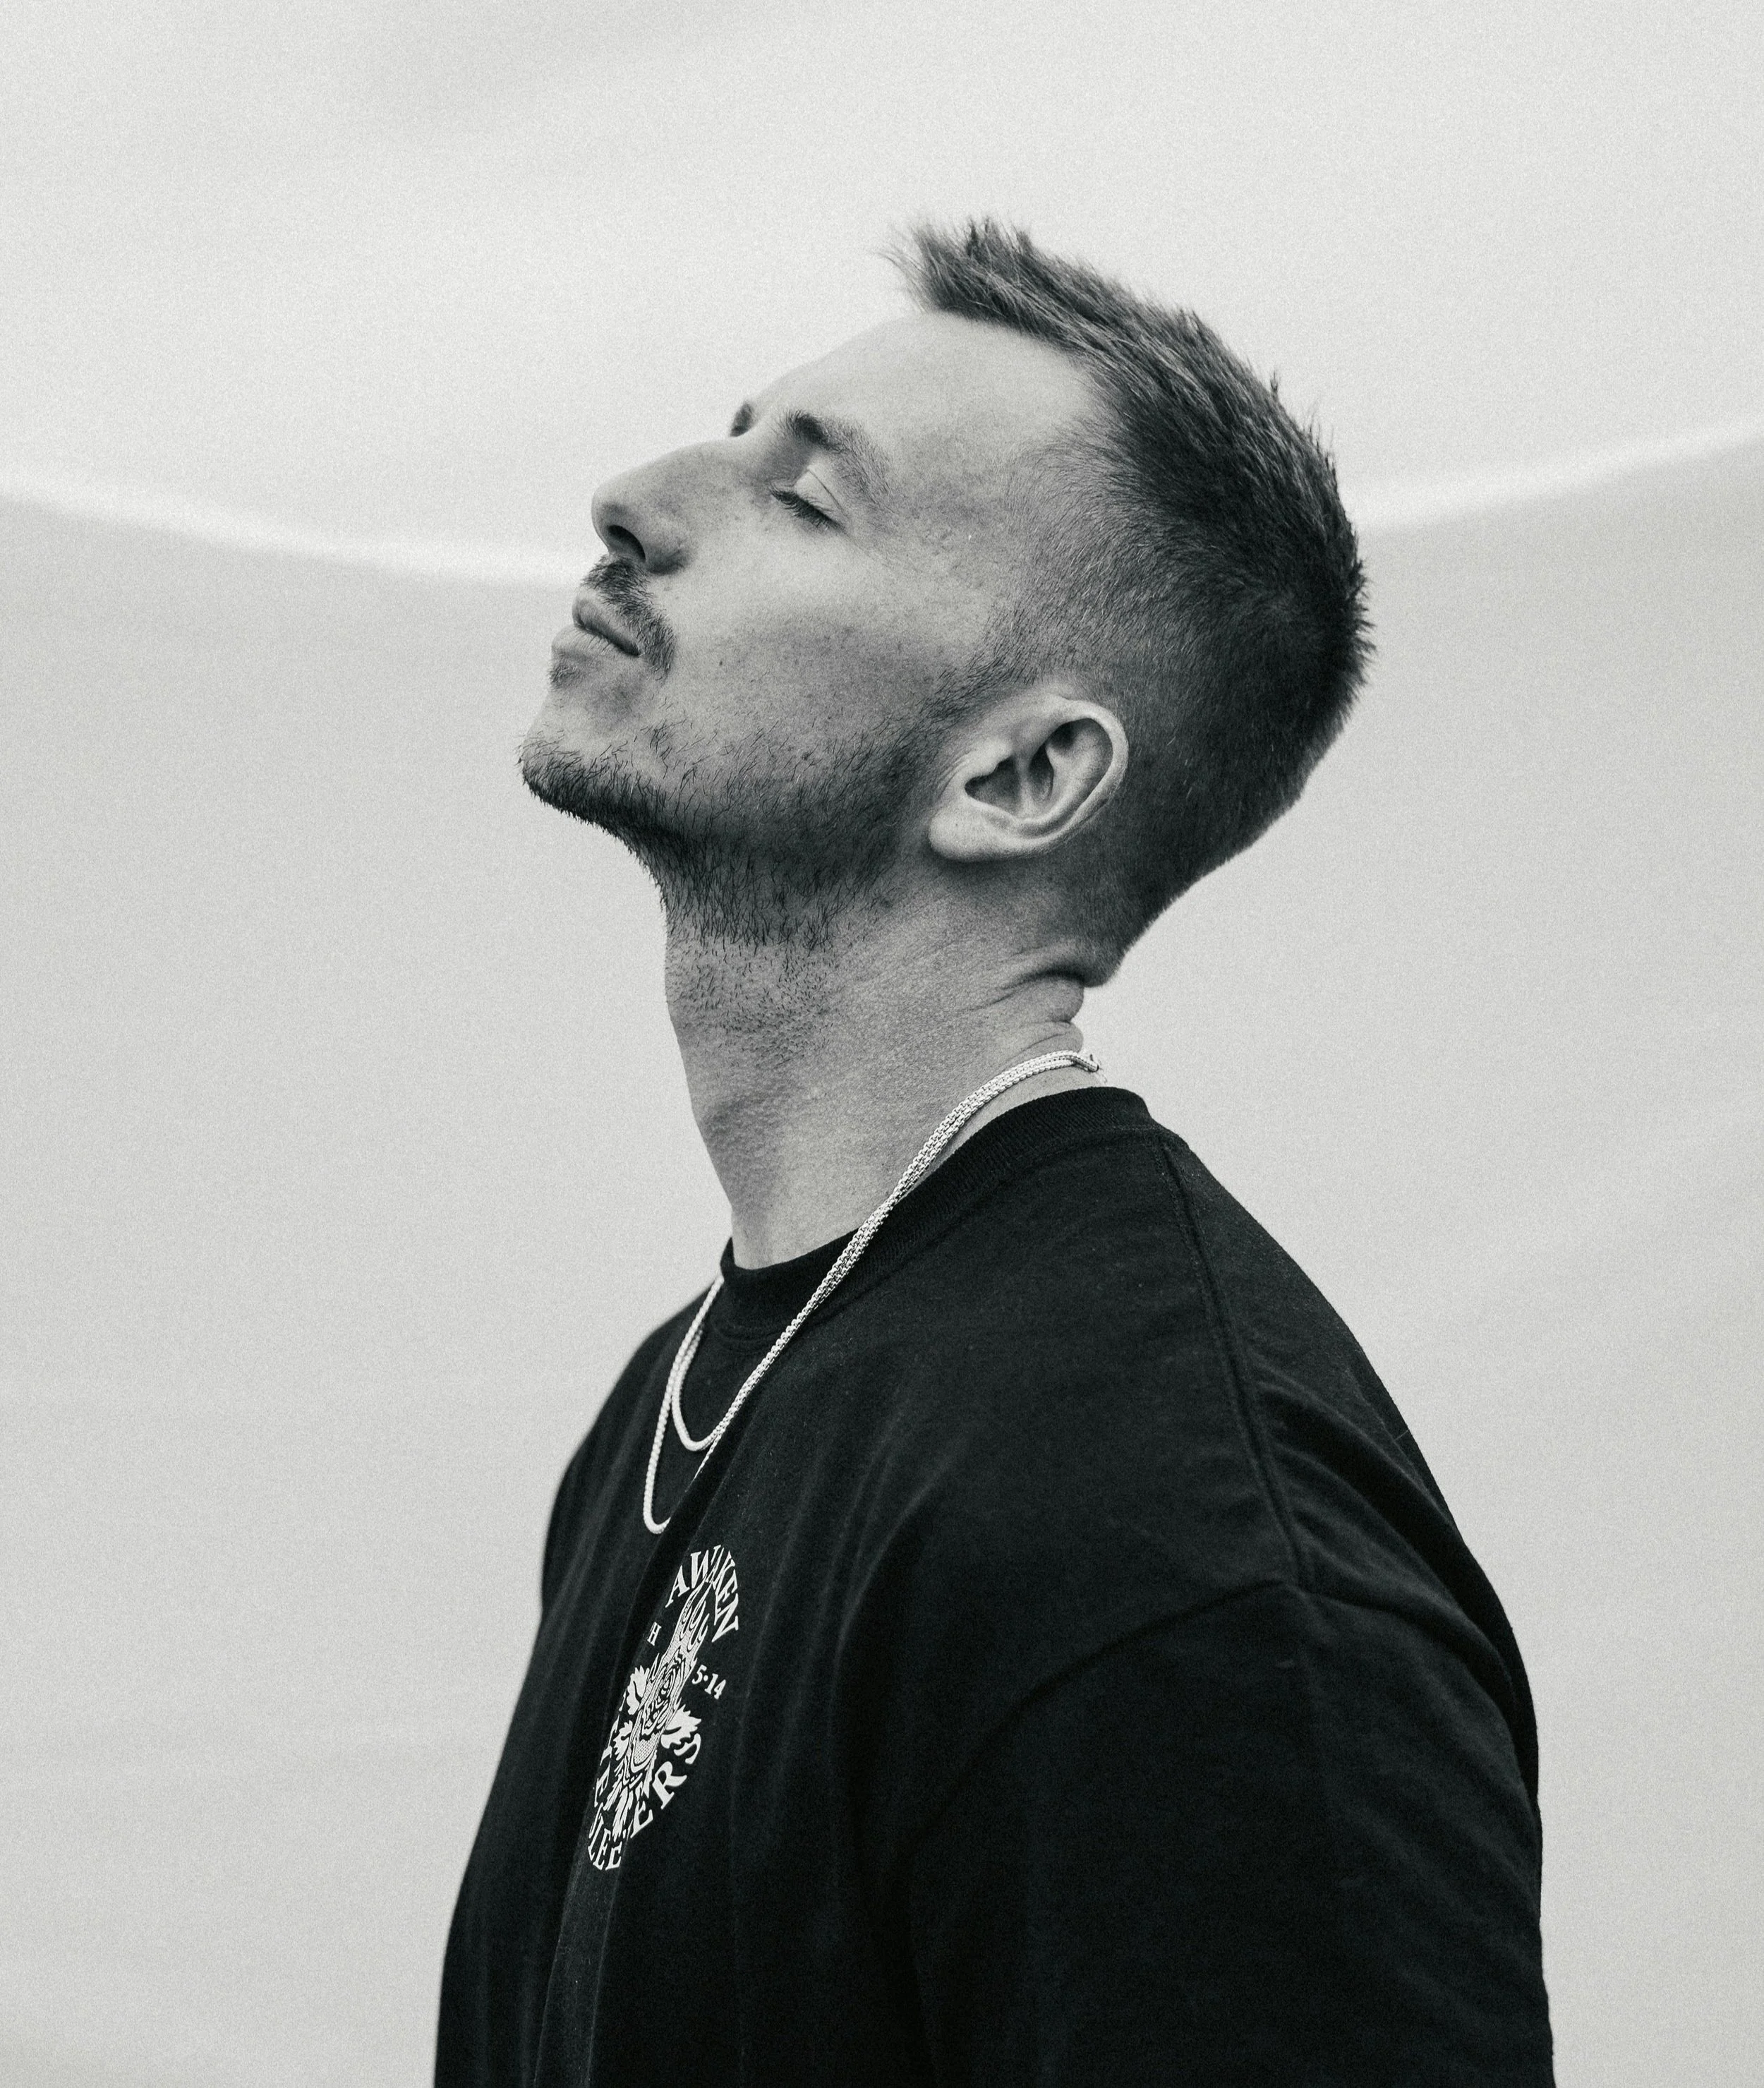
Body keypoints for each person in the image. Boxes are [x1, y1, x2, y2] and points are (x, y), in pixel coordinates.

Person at [435, 220, 1553, 2086]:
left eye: (803, 502)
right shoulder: (680, 1404)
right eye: (724, 437)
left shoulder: (1176, 1551)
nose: (632, 501)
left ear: (1018, 775)